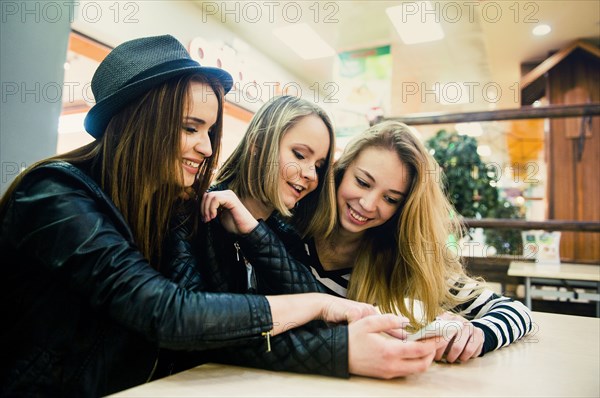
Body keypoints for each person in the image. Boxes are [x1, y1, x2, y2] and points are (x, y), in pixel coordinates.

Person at [0, 35, 380, 397]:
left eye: (210, 131)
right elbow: (169, 314)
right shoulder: (52, 193)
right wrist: (320, 310)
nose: (207, 146)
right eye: (190, 128)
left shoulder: (160, 206)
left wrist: (253, 233)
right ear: (139, 118)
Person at [247, 121, 534, 364]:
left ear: (403, 209)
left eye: (390, 199)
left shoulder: (402, 258)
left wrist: (478, 334)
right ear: (340, 171)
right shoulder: (286, 226)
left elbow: (518, 312)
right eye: (362, 182)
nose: (368, 204)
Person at [197, 97, 441, 379]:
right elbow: (205, 330)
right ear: (258, 143)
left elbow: (305, 299)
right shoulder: (200, 215)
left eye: (319, 165)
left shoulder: (283, 230)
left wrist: (465, 329)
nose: (310, 174)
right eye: (300, 155)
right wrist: (341, 351)